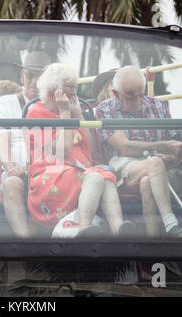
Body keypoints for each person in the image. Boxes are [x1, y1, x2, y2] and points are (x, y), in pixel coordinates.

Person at [25, 63, 135, 237]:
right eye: (69, 86)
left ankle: (119, 229)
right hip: (51, 174)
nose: (74, 92)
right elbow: (64, 149)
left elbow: (90, 147)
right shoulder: (36, 113)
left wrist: (79, 116)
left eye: (75, 87)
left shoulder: (71, 112)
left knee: (106, 177)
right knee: (94, 177)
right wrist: (65, 114)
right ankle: (83, 229)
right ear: (54, 87)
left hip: (78, 170)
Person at [95, 65, 182, 238]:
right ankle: (171, 223)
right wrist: (163, 147)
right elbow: (124, 146)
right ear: (116, 94)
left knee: (146, 182)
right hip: (123, 164)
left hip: (159, 169)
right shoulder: (105, 109)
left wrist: (171, 155)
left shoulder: (158, 105)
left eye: (141, 95)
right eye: (130, 97)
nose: (138, 102)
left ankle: (152, 243)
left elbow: (175, 146)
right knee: (154, 164)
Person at [0, 51, 52, 238]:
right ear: (22, 76)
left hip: (49, 172)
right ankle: (26, 245)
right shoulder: (5, 103)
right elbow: (1, 140)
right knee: (11, 184)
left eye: (39, 77)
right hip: (19, 170)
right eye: (30, 75)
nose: (34, 81)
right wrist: (10, 167)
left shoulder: (55, 104)